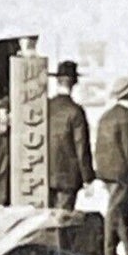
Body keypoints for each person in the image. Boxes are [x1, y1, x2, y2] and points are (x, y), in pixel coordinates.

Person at [95, 76, 128, 255]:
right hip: (122, 174)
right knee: (115, 210)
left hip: (107, 174)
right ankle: (108, 251)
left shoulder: (106, 116)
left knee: (121, 211)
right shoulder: (127, 119)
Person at [48, 60, 94, 211]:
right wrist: (87, 177)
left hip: (44, 174)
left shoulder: (46, 107)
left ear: (57, 81)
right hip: (68, 178)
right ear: (74, 83)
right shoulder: (76, 111)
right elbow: (81, 147)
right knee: (63, 221)